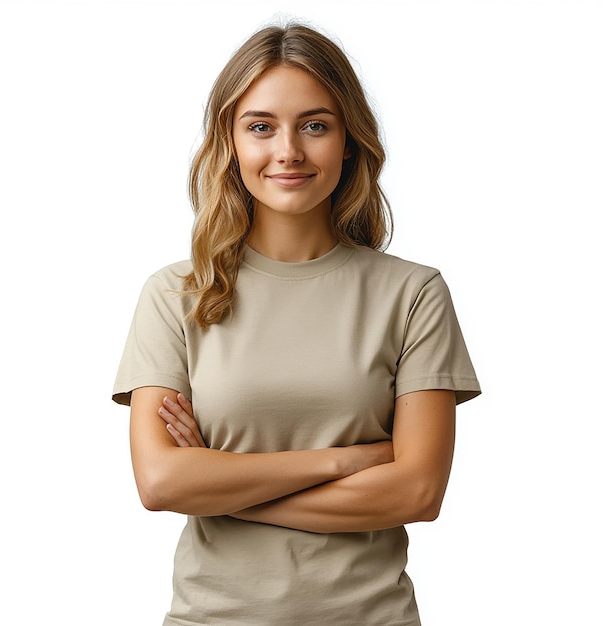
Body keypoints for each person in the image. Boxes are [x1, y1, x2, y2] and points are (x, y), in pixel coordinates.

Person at [113, 22, 481, 626]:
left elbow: (417, 492)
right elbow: (160, 483)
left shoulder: (413, 294)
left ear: (348, 140)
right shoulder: (175, 295)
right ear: (229, 142)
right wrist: (341, 461)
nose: (288, 150)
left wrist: (222, 483)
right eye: (261, 126)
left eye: (315, 125)